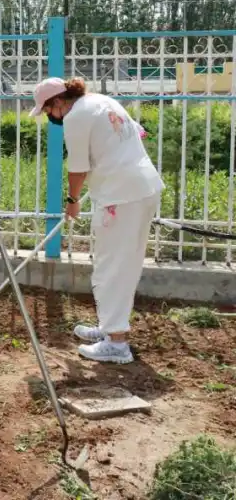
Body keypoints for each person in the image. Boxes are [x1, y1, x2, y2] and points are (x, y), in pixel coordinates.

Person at [30, 77, 163, 364]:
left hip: (122, 197)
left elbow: (77, 168)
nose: (49, 117)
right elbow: (138, 135)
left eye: (46, 111)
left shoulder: (76, 116)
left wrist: (72, 200)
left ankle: (116, 343)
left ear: (57, 103)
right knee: (118, 263)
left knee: (111, 267)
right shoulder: (101, 101)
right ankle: (109, 328)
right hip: (139, 188)